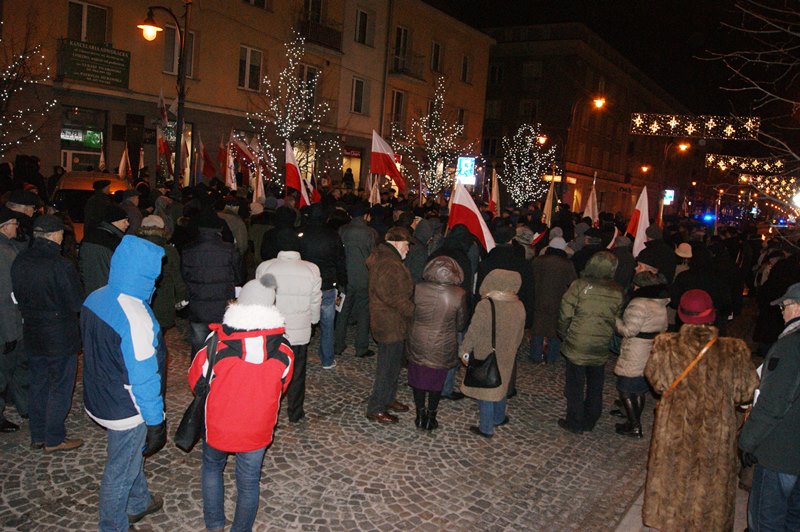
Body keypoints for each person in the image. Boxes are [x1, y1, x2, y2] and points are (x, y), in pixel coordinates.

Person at [643, 289, 757, 530]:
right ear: (712, 315)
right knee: (710, 480)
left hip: (675, 426)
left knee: (673, 476)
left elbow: (657, 382)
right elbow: (746, 392)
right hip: (715, 430)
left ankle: (670, 520)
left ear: (682, 316)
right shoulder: (733, 350)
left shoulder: (666, 345)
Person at [188, 275, 294, 532]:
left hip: (218, 426)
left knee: (212, 469)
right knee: (249, 482)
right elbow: (282, 387)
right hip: (258, 428)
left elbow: (195, 381)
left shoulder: (216, 344)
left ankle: (214, 525)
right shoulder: (285, 350)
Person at [81, 235, 167, 530]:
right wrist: (156, 422)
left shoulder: (96, 296)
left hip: (98, 394)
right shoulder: (136, 316)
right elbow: (144, 377)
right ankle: (112, 524)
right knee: (120, 470)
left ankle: (139, 501)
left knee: (129, 456)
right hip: (125, 408)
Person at [10, 215, 83, 451]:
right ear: (54, 235)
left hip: (32, 330)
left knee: (38, 383)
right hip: (59, 333)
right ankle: (54, 438)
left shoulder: (20, 260)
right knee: (60, 386)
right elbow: (75, 303)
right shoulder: (61, 265)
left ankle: (38, 434)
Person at [740, 282, 800, 530]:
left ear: (797, 308)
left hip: (781, 452)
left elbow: (774, 401)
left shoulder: (790, 346)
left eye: (785, 306)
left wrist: (747, 440)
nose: (782, 312)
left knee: (767, 521)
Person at [557, 251, 624, 433]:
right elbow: (616, 318)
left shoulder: (579, 285)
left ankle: (575, 421)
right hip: (601, 342)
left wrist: (564, 333)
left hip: (578, 341)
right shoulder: (617, 291)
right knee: (596, 383)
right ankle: (591, 418)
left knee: (575, 384)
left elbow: (565, 313)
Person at [255, 242, 321, 422]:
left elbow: (260, 298)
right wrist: (313, 320)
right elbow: (315, 300)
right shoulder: (311, 269)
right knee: (298, 372)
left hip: (273, 329)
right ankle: (295, 412)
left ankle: (268, 410)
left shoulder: (266, 267)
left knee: (271, 372)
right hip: (300, 329)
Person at [461, 269, 526, 438]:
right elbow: (520, 333)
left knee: (487, 388)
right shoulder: (518, 305)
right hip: (508, 352)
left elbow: (474, 331)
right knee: (501, 383)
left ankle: (486, 427)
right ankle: (499, 417)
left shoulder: (486, 305)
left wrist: (464, 350)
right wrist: (512, 347)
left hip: (486, 351)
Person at [406, 256, 467, 430]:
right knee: (436, 382)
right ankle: (431, 417)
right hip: (443, 342)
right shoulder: (459, 293)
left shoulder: (418, 288)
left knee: (418, 378)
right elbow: (461, 323)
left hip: (418, 339)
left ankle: (419, 415)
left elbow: (410, 312)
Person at [365, 226, 415, 423]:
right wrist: (414, 312)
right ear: (395, 242)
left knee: (393, 365)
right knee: (387, 367)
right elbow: (392, 296)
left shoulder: (386, 257)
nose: (408, 249)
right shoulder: (389, 263)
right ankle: (376, 407)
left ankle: (388, 399)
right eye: (406, 244)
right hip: (389, 323)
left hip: (391, 321)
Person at [611, 271, 669, 438]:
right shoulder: (660, 303)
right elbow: (663, 328)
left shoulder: (639, 304)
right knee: (639, 389)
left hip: (635, 349)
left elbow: (629, 330)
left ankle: (634, 424)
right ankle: (633, 420)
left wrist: (615, 320)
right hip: (649, 348)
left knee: (625, 388)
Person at [181, 212, 242, 356]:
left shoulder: (188, 250)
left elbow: (184, 276)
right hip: (222, 304)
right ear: (219, 229)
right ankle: (219, 374)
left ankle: (200, 374)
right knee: (222, 344)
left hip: (198, 304)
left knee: (199, 344)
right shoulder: (229, 249)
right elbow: (239, 276)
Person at [299, 203, 347, 369]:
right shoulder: (333, 236)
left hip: (305, 284)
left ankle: (300, 356)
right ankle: (327, 359)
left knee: (303, 320)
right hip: (327, 284)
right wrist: (342, 282)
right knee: (328, 324)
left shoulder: (302, 234)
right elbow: (340, 261)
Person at [334, 202, 378, 359]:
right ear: (365, 215)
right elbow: (373, 256)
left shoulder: (342, 230)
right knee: (364, 312)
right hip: (364, 278)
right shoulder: (370, 232)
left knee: (341, 311)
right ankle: (361, 347)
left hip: (344, 278)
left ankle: (337, 345)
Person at [136, 215, 187, 330]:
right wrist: (181, 299)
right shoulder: (169, 250)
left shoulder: (135, 248)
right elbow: (178, 278)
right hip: (163, 300)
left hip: (139, 298)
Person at [530, 236, 576, 364]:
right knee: (555, 330)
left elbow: (531, 278)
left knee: (538, 328)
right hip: (558, 301)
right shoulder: (567, 264)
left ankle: (536, 355)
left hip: (539, 298)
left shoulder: (538, 261)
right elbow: (572, 283)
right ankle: (551, 357)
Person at [0, 208, 24, 431]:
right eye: (15, 223)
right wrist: (10, 334)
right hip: (6, 325)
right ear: (4, 226)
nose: (17, 227)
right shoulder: (4, 253)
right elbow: (7, 297)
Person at [79, 204, 129, 296]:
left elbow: (81, 265)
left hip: (89, 289)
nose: (127, 224)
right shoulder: (115, 242)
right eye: (124, 221)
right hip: (108, 290)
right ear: (114, 221)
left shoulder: (89, 237)